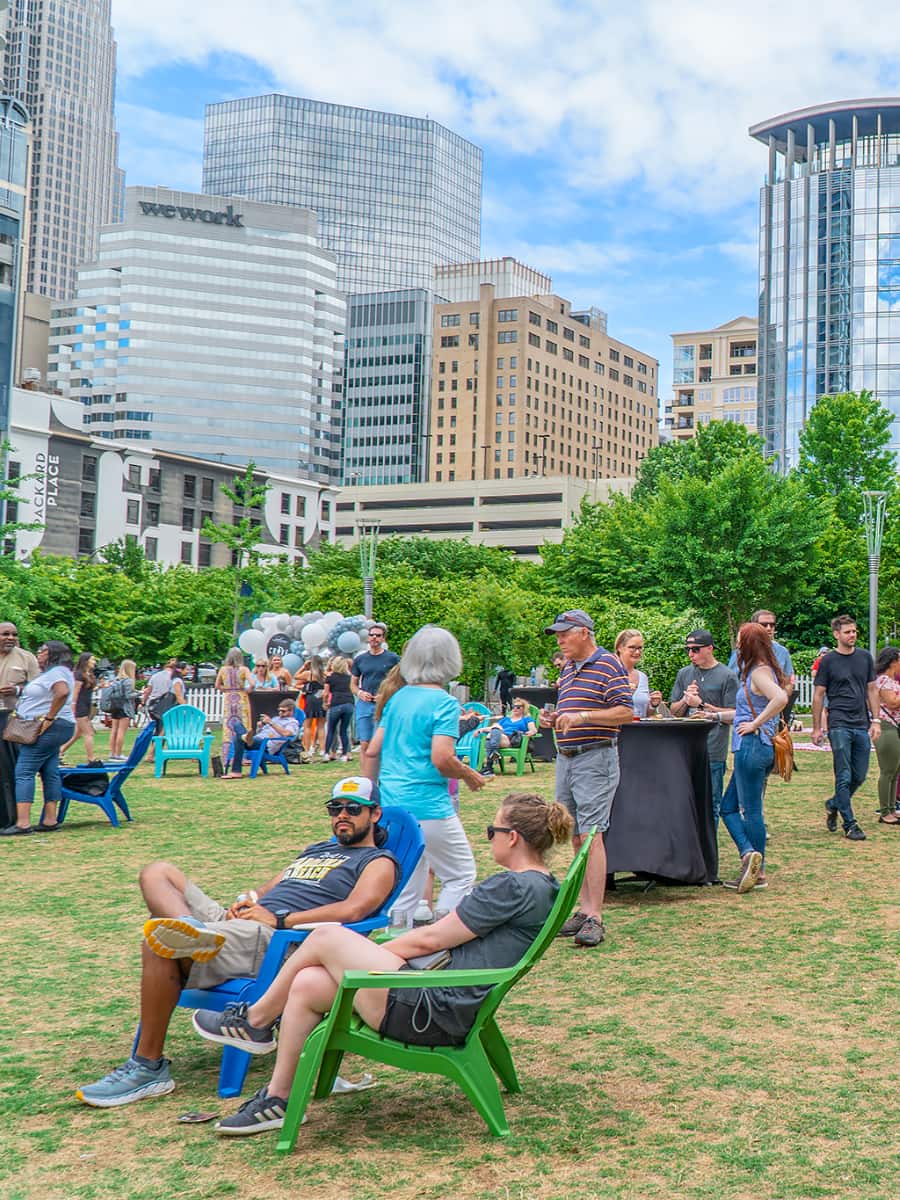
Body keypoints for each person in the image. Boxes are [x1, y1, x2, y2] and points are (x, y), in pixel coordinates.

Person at [190, 792, 573, 1137]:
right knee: (308, 981)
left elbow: (430, 938)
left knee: (327, 937)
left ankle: (255, 1022)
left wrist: (384, 956)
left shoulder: (509, 887)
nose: (488, 836)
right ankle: (279, 1097)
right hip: (446, 1000)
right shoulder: (543, 886)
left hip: (430, 1007)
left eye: (492, 830)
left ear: (513, 837)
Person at [75, 777, 399, 1108]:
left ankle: (148, 1066)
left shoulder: (378, 861)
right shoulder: (317, 850)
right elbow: (268, 889)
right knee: (157, 872)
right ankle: (192, 931)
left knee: (158, 943)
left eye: (353, 809)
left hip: (279, 940)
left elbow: (356, 909)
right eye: (335, 808)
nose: (342, 815)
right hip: (244, 924)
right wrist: (248, 900)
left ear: (374, 814)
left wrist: (281, 920)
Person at [364, 625, 483, 921]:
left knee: (407, 883)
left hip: (393, 802)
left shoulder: (397, 699)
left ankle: (397, 946)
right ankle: (440, 936)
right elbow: (442, 758)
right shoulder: (443, 702)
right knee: (461, 875)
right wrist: (468, 775)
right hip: (428, 802)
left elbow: (373, 749)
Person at [539, 610, 633, 948]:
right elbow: (571, 712)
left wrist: (583, 716)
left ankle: (595, 916)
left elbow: (625, 713)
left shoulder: (608, 664)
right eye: (557, 636)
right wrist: (553, 719)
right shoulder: (567, 669)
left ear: (584, 632)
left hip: (596, 757)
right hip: (567, 759)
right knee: (575, 837)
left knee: (592, 836)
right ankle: (583, 908)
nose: (560, 640)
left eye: (564, 634)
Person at [720, 622, 788, 892]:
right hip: (754, 745)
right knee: (729, 806)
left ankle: (755, 867)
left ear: (748, 643)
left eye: (740, 640)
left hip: (751, 745)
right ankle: (750, 856)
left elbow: (780, 698)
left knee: (749, 810)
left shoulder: (759, 672)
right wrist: (714, 715)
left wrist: (755, 723)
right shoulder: (760, 671)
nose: (737, 645)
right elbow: (745, 712)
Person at [812, 615, 881, 841]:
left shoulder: (864, 658)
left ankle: (834, 804)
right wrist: (816, 728)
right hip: (838, 722)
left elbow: (872, 690)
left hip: (861, 722)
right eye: (847, 632)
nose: (852, 635)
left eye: (854, 631)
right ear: (836, 634)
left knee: (859, 775)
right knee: (843, 774)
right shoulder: (828, 661)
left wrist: (876, 720)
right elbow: (819, 695)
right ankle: (850, 824)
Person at [1, 640, 75, 835]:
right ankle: (50, 819)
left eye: (41, 651)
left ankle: (23, 823)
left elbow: (62, 692)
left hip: (48, 727)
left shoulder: (57, 672)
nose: (38, 655)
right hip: (58, 726)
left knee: (24, 771)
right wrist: (18, 691)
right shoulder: (56, 673)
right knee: (49, 770)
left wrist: (48, 718)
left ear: (51, 654)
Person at [669, 630, 738, 825]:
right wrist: (685, 699)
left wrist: (700, 705)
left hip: (713, 750)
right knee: (684, 802)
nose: (691, 654)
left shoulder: (727, 676)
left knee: (711, 804)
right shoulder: (684, 673)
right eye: (688, 650)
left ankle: (709, 851)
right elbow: (674, 712)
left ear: (709, 649)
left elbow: (734, 715)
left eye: (695, 649)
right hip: (685, 749)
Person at [0, 622, 39, 828]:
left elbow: (39, 688)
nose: (10, 638)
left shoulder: (26, 658)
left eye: (14, 634)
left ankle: (12, 818)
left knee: (10, 769)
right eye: (5, 634)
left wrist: (17, 690)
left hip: (14, 719)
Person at [728, 609, 795, 715]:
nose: (768, 628)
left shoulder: (782, 652)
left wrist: (780, 699)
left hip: (773, 712)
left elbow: (788, 682)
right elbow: (732, 682)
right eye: (764, 625)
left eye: (772, 625)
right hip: (747, 710)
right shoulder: (740, 653)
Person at [351, 623, 400, 757]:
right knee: (364, 743)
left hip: (384, 704)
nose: (374, 638)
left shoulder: (392, 658)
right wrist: (360, 693)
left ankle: (380, 774)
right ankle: (366, 776)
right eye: (371, 635)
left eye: (378, 635)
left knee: (379, 742)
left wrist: (386, 695)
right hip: (364, 704)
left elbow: (400, 682)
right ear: (368, 638)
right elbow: (353, 684)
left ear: (383, 639)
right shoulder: (360, 659)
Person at [223, 698, 301, 779]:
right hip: (256, 740)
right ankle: (244, 740)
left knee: (238, 738)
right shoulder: (275, 718)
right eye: (279, 710)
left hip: (266, 745)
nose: (280, 713)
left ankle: (237, 769)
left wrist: (271, 723)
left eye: (283, 711)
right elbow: (260, 733)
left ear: (291, 711)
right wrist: (259, 727)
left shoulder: (292, 722)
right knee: (237, 724)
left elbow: (286, 733)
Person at [873, 647, 900, 826]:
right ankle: (885, 811)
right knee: (887, 771)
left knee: (895, 771)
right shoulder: (883, 680)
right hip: (886, 727)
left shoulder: (891, 680)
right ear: (892, 662)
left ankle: (890, 809)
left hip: (894, 727)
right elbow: (892, 702)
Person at [477, 699, 537, 777]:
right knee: (495, 730)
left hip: (512, 740)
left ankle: (489, 767)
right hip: (499, 737)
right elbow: (492, 728)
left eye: (518, 707)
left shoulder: (526, 719)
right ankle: (492, 757)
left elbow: (533, 729)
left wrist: (530, 733)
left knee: (491, 735)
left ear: (524, 708)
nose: (515, 709)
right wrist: (481, 729)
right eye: (514, 707)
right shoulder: (505, 719)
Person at [215, 648, 254, 761]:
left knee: (229, 726)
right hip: (241, 697)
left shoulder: (223, 669)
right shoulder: (244, 669)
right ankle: (242, 755)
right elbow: (252, 683)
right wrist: (246, 689)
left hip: (228, 698)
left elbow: (217, 685)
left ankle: (228, 755)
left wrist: (226, 689)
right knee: (243, 725)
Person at [614, 629, 663, 718]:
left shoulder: (643, 677)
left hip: (639, 730)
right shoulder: (609, 673)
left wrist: (653, 705)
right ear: (620, 648)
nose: (637, 652)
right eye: (632, 647)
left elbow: (645, 714)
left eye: (640, 648)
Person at [60, 651, 98, 764]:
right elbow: (75, 693)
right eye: (92, 659)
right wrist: (73, 707)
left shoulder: (89, 674)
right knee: (89, 733)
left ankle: (59, 752)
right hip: (80, 707)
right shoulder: (78, 675)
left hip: (86, 705)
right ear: (85, 661)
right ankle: (91, 758)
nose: (94, 662)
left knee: (77, 734)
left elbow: (87, 691)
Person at [106, 659, 141, 761]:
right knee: (121, 732)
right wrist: (139, 693)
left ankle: (112, 753)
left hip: (115, 707)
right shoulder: (129, 681)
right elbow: (129, 695)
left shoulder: (116, 680)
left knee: (114, 731)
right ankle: (118, 753)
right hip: (125, 708)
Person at [323, 655, 354, 761]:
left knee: (331, 729)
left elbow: (326, 693)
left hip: (336, 703)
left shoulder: (330, 678)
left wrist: (325, 703)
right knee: (344, 730)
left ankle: (327, 753)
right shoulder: (349, 678)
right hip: (349, 703)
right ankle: (345, 754)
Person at [142, 660, 186, 732]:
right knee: (166, 728)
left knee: (158, 728)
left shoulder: (155, 676)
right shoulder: (174, 678)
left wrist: (143, 702)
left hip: (153, 705)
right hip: (167, 705)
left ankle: (155, 742)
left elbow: (148, 691)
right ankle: (159, 742)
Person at [299, 656, 326, 761]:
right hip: (321, 698)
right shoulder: (324, 675)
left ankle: (307, 748)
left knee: (307, 726)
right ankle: (323, 750)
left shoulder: (308, 674)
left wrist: (304, 666)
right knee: (321, 726)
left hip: (310, 699)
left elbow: (296, 676)